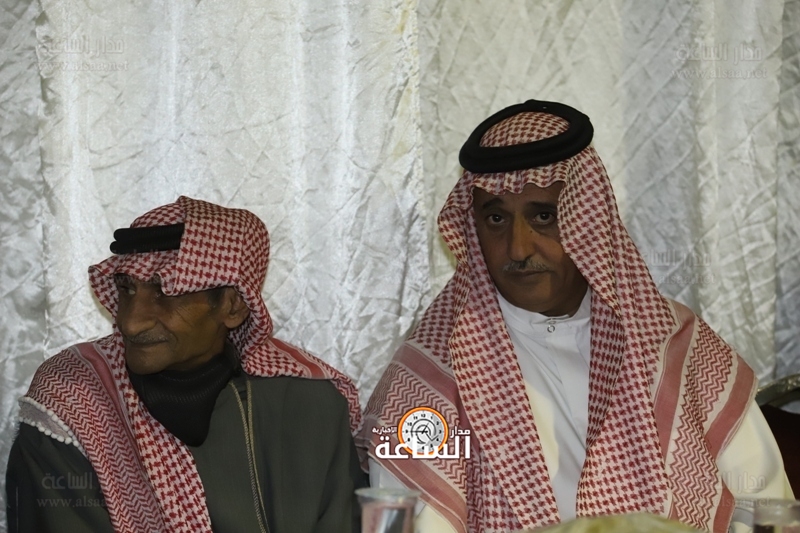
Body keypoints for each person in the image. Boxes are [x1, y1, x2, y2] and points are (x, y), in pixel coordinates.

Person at [359, 100, 793, 533]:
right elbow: (410, 523)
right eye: (496, 219)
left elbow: (767, 510)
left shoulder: (678, 348)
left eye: (543, 216)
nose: (518, 248)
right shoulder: (428, 380)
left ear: (588, 219)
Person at [6, 196, 367, 532]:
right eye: (127, 289)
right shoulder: (73, 401)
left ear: (232, 306)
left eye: (165, 292)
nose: (131, 323)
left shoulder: (310, 405)